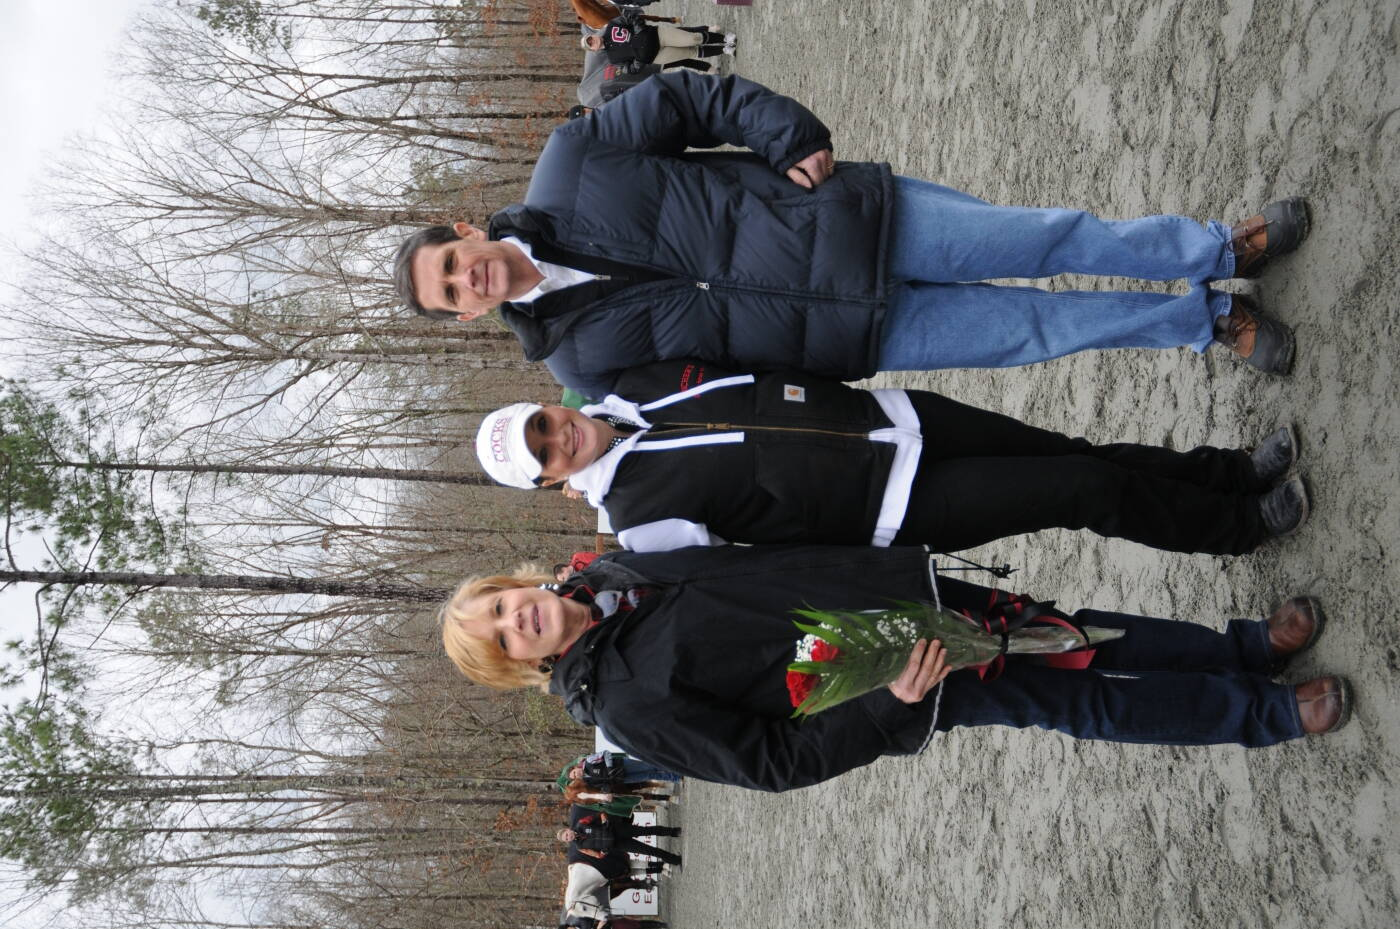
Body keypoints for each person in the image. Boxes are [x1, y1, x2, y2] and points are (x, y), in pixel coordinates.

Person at [393, 72, 1311, 400]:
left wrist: (787, 133)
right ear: (466, 317)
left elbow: (689, 99)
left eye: (450, 262)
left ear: (466, 230)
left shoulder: (570, 164)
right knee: (1040, 331)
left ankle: (1218, 252)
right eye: (450, 295)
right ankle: (1206, 324)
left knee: (1048, 239)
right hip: (846, 339)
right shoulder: (577, 367)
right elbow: (710, 396)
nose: (466, 281)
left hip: (855, 222)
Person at [439, 544, 1348, 793]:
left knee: (1074, 628)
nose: (516, 618)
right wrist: (890, 703)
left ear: (518, 583)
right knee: (1080, 702)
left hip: (900, 594)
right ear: (525, 661)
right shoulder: (625, 707)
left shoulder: (621, 571)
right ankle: (1263, 715)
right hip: (899, 673)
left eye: (501, 603)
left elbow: (763, 561)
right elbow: (768, 762)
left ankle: (1245, 648)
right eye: (506, 637)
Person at [473, 359, 1309, 556]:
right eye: (544, 457)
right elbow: (744, 566)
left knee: (1077, 451)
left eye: (544, 423)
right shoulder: (635, 522)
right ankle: (1239, 527)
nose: (559, 439)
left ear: (550, 404)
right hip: (894, 507)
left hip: (897, 416)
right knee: (1079, 488)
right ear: (550, 484)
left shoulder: (638, 383)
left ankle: (1231, 471)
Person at [581, 13, 733, 72]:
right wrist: (639, 63)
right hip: (657, 56)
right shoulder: (612, 58)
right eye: (591, 44)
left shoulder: (612, 26)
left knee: (693, 38)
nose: (593, 41)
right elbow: (628, 69)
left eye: (591, 38)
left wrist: (640, 28)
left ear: (593, 35)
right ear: (594, 50)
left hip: (657, 35)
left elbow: (630, 16)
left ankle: (724, 39)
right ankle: (725, 50)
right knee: (691, 52)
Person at [561, 811, 683, 866]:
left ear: (568, 830)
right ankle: (675, 859)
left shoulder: (581, 823)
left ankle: (673, 831)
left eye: (566, 834)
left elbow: (600, 814)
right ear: (568, 841)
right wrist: (604, 852)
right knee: (648, 850)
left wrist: (605, 822)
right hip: (617, 845)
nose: (568, 837)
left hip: (617, 830)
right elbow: (597, 855)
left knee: (646, 830)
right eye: (566, 838)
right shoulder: (580, 847)